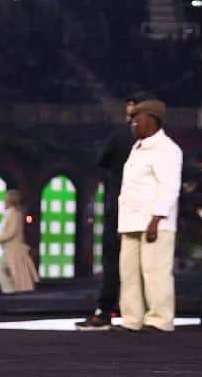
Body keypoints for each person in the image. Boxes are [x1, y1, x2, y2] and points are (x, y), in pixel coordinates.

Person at [118, 99, 181, 332]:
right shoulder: (137, 148)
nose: (132, 124)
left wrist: (157, 218)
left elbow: (169, 186)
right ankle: (132, 318)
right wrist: (121, 224)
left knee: (155, 273)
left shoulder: (167, 148)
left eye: (137, 120)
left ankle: (159, 319)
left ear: (152, 120)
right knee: (129, 274)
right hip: (131, 221)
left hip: (155, 222)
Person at [81, 94, 141, 329]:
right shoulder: (157, 142)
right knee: (138, 262)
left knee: (112, 258)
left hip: (117, 204)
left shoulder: (120, 137)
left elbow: (102, 161)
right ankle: (132, 308)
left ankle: (106, 308)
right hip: (141, 209)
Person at [0, 189, 40, 293]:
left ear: (10, 201)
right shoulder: (10, 214)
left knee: (3, 270)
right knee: (10, 271)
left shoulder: (15, 214)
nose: (4, 202)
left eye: (6, 200)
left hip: (14, 249)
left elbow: (11, 232)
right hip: (9, 248)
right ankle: (12, 292)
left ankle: (11, 293)